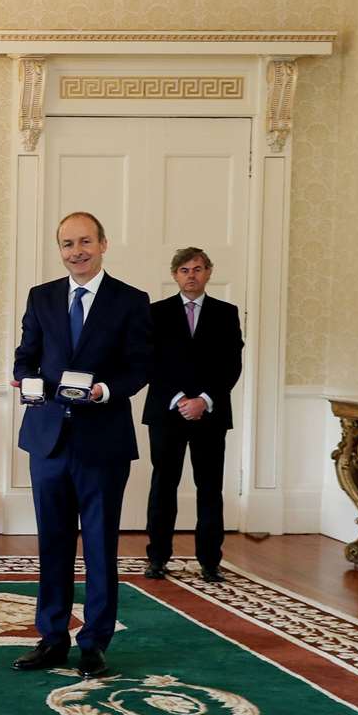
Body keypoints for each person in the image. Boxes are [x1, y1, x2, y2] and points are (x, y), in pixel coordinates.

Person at [11, 212, 151, 678]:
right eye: (67, 244)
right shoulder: (42, 297)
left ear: (104, 244)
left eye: (85, 242)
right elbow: (26, 354)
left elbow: (138, 367)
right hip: (48, 438)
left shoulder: (131, 301)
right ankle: (52, 638)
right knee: (52, 544)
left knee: (98, 545)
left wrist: (105, 391)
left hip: (102, 440)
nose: (77, 251)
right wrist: (25, 380)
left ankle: (94, 643)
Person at [142, 247, 244, 584]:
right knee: (163, 486)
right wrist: (179, 399)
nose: (191, 275)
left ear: (208, 272)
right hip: (166, 412)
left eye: (197, 269)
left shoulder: (226, 314)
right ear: (174, 274)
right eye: (184, 269)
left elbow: (231, 365)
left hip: (210, 415)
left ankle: (210, 562)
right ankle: (157, 558)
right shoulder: (155, 313)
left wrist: (203, 400)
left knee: (210, 488)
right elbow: (150, 362)